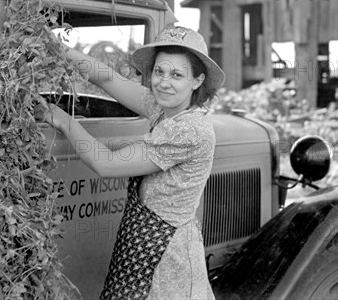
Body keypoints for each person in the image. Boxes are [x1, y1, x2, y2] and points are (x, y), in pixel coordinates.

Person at [37, 25, 225, 299]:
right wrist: (57, 48)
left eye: (176, 75)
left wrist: (64, 120)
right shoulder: (166, 108)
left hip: (162, 253)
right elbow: (109, 80)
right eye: (159, 72)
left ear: (197, 80)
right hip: (142, 243)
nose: (163, 82)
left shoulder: (188, 130)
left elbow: (108, 164)